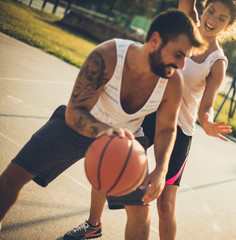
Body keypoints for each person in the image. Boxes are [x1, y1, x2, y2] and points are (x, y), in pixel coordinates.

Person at [0, 9, 206, 240]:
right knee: (12, 178)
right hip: (82, 124)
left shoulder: (172, 81)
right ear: (155, 40)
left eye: (186, 56)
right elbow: (75, 111)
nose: (181, 64)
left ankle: (94, 226)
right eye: (179, 54)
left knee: (140, 214)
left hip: (126, 140)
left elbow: (166, 128)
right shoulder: (108, 56)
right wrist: (109, 133)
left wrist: (161, 169)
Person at [63, 1, 236, 239]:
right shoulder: (186, 23)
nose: (213, 19)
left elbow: (206, 106)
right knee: (108, 159)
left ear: (229, 25)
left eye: (222, 18)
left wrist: (208, 122)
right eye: (211, 10)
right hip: (148, 113)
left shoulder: (217, 62)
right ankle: (93, 225)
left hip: (178, 131)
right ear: (204, 7)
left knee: (165, 205)